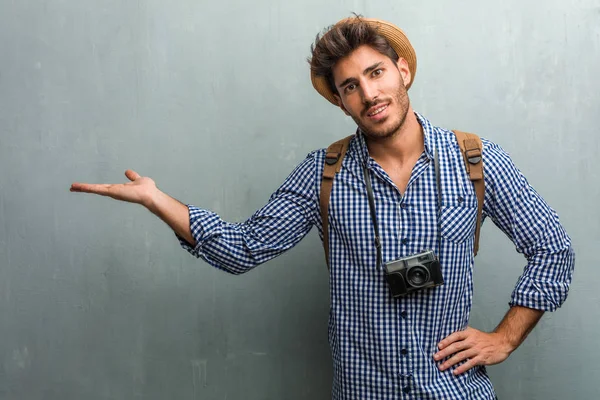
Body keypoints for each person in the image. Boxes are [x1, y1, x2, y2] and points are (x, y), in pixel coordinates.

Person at [70, 16, 575, 400]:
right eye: (350, 86)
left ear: (402, 70)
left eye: (376, 73)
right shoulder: (323, 174)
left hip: (454, 391)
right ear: (339, 101)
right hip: (363, 390)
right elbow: (242, 248)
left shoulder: (474, 161)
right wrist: (156, 199)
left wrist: (505, 338)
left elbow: (553, 248)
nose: (369, 94)